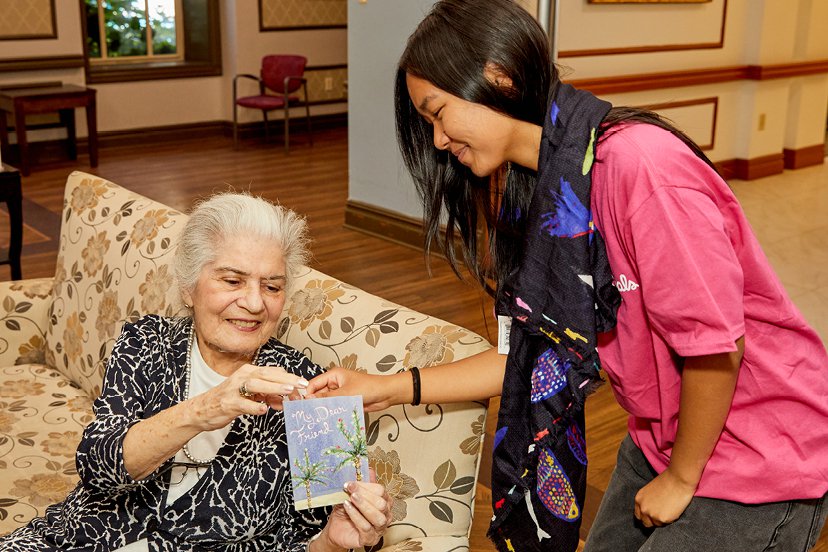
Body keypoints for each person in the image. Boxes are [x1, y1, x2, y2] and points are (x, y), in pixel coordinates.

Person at [306, 1, 828, 551]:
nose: (437, 140)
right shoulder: (535, 192)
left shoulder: (639, 168)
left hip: (758, 451)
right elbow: (527, 357)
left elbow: (715, 349)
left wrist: (680, 478)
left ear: (498, 75)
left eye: (438, 112)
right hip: (662, 435)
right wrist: (387, 389)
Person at [1, 193, 392, 551]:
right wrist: (206, 408)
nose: (255, 303)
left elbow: (303, 536)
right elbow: (98, 467)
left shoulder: (306, 390)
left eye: (272, 286)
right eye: (232, 280)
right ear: (189, 288)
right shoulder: (147, 344)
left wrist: (331, 541)